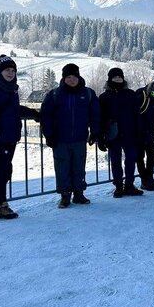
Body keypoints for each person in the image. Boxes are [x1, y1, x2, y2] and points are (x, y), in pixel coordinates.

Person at [0, 54, 39, 222]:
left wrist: (32, 113)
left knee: (4, 171)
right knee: (3, 172)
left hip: (10, 136)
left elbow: (13, 110)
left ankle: (2, 205)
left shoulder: (12, 89)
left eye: (13, 70)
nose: (10, 73)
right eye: (7, 70)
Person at [41, 63, 100, 208]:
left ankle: (79, 194)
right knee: (62, 168)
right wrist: (49, 135)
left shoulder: (88, 93)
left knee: (79, 167)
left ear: (79, 77)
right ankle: (65, 196)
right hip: (60, 139)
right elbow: (45, 115)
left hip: (80, 138)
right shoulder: (54, 94)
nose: (71, 80)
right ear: (63, 78)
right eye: (68, 77)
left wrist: (95, 131)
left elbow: (95, 114)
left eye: (74, 76)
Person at [98, 68, 142, 198]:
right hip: (113, 134)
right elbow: (101, 118)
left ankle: (129, 185)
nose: (117, 79)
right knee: (115, 161)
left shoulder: (130, 94)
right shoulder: (104, 97)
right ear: (109, 79)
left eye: (119, 77)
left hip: (130, 132)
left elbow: (137, 114)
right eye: (114, 77)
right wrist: (100, 137)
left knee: (131, 160)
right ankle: (118, 186)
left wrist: (139, 132)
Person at [134, 76, 154, 191]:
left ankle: (149, 178)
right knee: (140, 157)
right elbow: (136, 113)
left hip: (150, 131)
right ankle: (144, 180)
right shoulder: (142, 96)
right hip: (139, 132)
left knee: (151, 158)